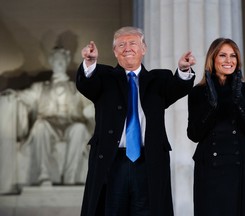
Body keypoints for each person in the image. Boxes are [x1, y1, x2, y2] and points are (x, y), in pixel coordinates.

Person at [76, 26, 196, 216]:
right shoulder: (104, 76)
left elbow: (178, 88)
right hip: (112, 162)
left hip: (148, 162)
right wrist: (90, 62)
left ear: (144, 49)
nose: (127, 48)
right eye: (121, 44)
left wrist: (183, 70)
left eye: (133, 43)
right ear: (115, 52)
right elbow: (87, 85)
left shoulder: (159, 79)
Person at [187, 38, 245, 216]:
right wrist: (211, 105)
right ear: (213, 59)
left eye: (233, 55)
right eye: (223, 55)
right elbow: (194, 134)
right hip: (210, 171)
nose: (229, 60)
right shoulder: (197, 93)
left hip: (242, 168)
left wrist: (239, 99)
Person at [14, 47, 91, 185]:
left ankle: (70, 177)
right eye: (56, 60)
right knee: (40, 126)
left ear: (67, 62)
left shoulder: (78, 88)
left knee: (80, 128)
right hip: (48, 124)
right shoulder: (39, 87)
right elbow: (24, 97)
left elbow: (91, 105)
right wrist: (12, 95)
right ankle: (44, 175)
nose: (60, 63)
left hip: (71, 124)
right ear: (51, 62)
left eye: (62, 60)